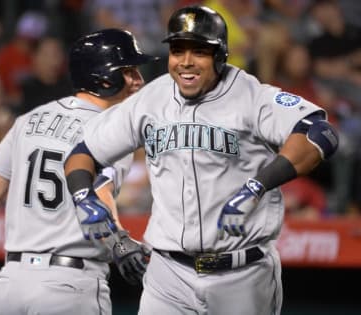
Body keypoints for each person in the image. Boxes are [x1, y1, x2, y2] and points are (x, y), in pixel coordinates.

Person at [64, 5, 339, 315]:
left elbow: (319, 134)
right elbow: (83, 152)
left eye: (199, 51)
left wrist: (256, 187)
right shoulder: (152, 98)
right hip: (167, 274)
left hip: (241, 275)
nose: (186, 62)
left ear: (220, 54)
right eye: (178, 50)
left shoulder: (249, 95)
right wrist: (82, 196)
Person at [0, 28, 157, 315]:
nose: (139, 81)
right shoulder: (112, 130)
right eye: (128, 71)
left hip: (11, 284)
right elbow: (98, 189)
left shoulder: (28, 120)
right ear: (103, 77)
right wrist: (119, 240)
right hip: (70, 285)